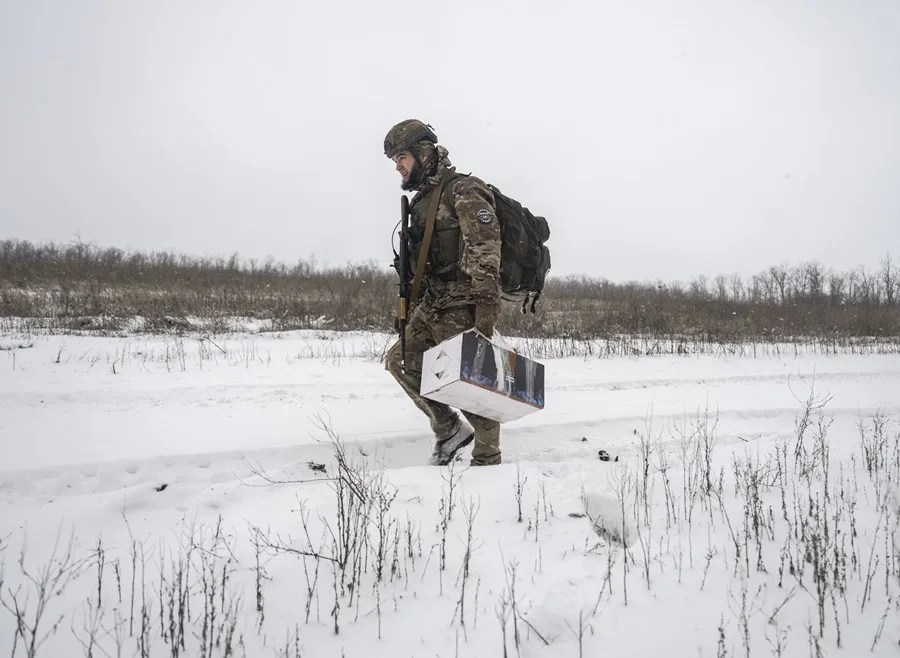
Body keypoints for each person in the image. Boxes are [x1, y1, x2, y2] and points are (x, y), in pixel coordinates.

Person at [383, 119, 502, 466]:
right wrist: (407, 308)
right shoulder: (422, 202)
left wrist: (485, 312)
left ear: (422, 153)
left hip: (463, 301)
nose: (397, 166)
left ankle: (488, 457)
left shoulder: (462, 190)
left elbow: (486, 249)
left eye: (402, 157)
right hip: (432, 302)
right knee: (401, 360)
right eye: (394, 160)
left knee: (469, 382)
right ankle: (449, 429)